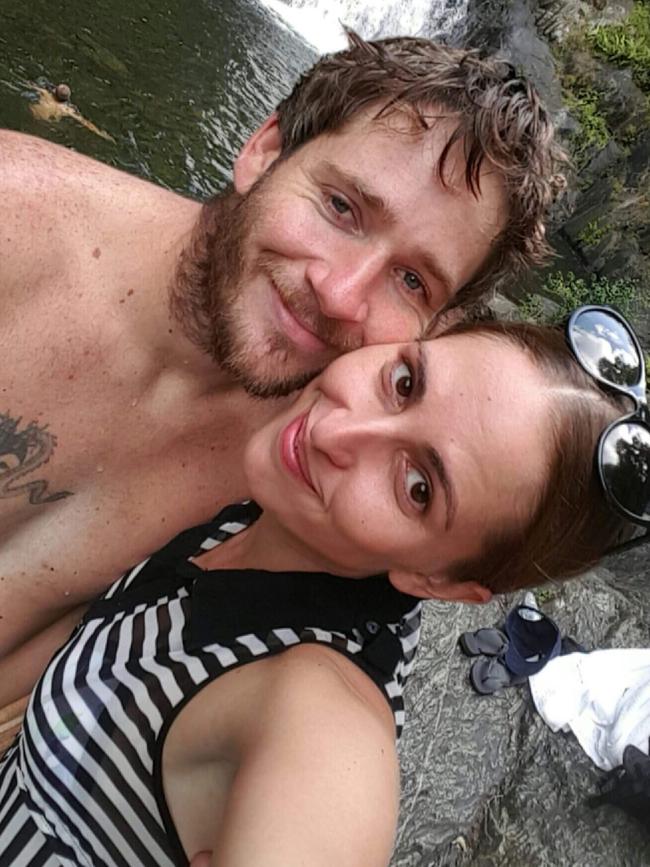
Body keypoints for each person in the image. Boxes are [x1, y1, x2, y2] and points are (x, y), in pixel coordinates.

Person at [0, 30, 565, 658]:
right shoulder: (17, 222)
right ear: (264, 151)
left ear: (437, 324)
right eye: (341, 207)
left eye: (412, 281)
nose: (340, 294)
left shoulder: (322, 469)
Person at [0, 317, 634, 866]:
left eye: (418, 488)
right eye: (405, 382)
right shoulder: (278, 499)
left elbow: (329, 788)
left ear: (437, 581)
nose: (337, 432)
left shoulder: (321, 708)